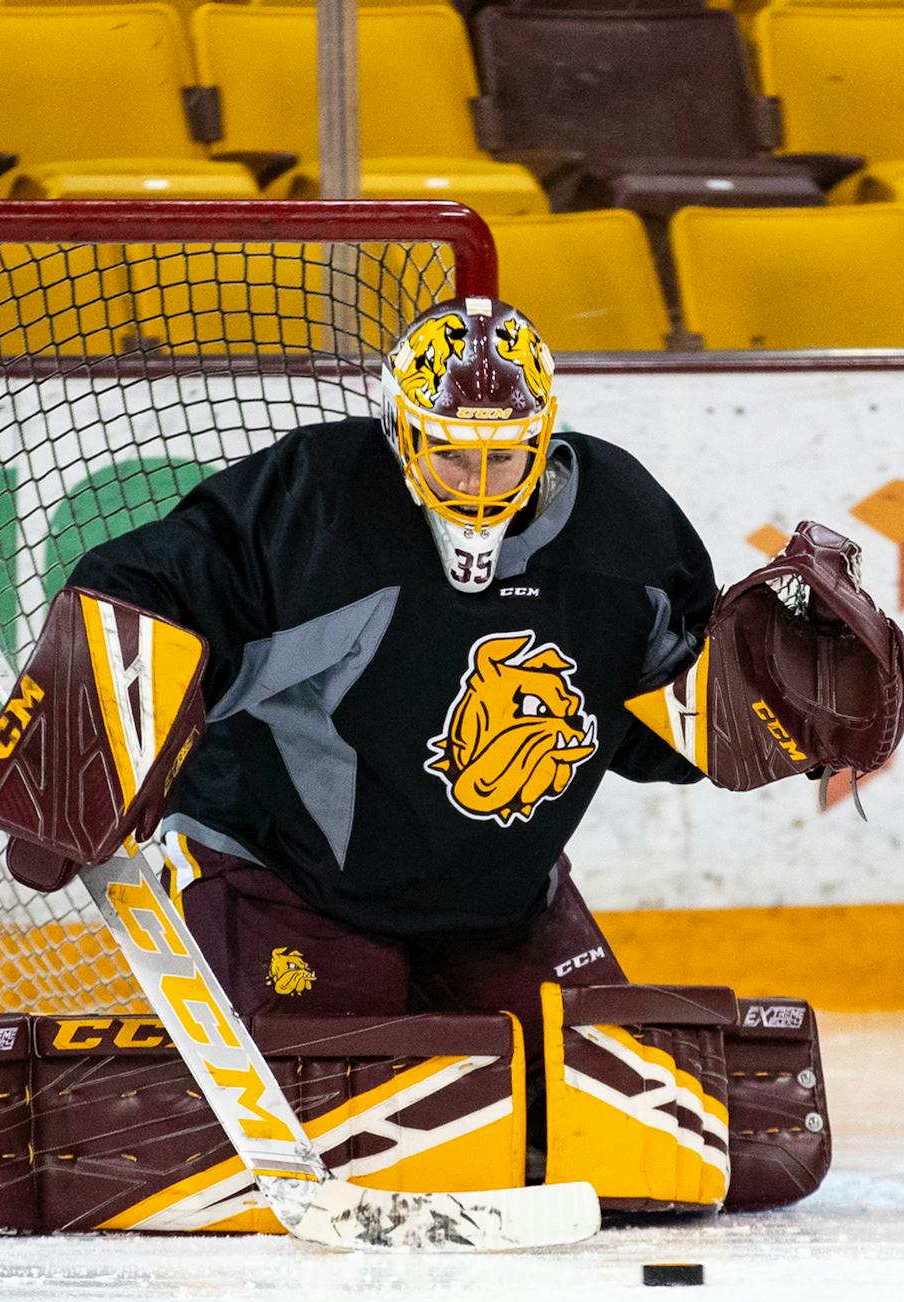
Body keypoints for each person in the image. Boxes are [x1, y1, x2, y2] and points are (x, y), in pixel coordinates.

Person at [59, 295, 704, 1057]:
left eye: (503, 456)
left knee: (604, 1116)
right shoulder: (318, 503)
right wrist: (82, 732)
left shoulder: (624, 524)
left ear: (542, 436)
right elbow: (146, 585)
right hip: (288, 883)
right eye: (452, 453)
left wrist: (770, 716)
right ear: (402, 432)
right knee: (348, 1109)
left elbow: (663, 726)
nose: (478, 484)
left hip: (500, 907)